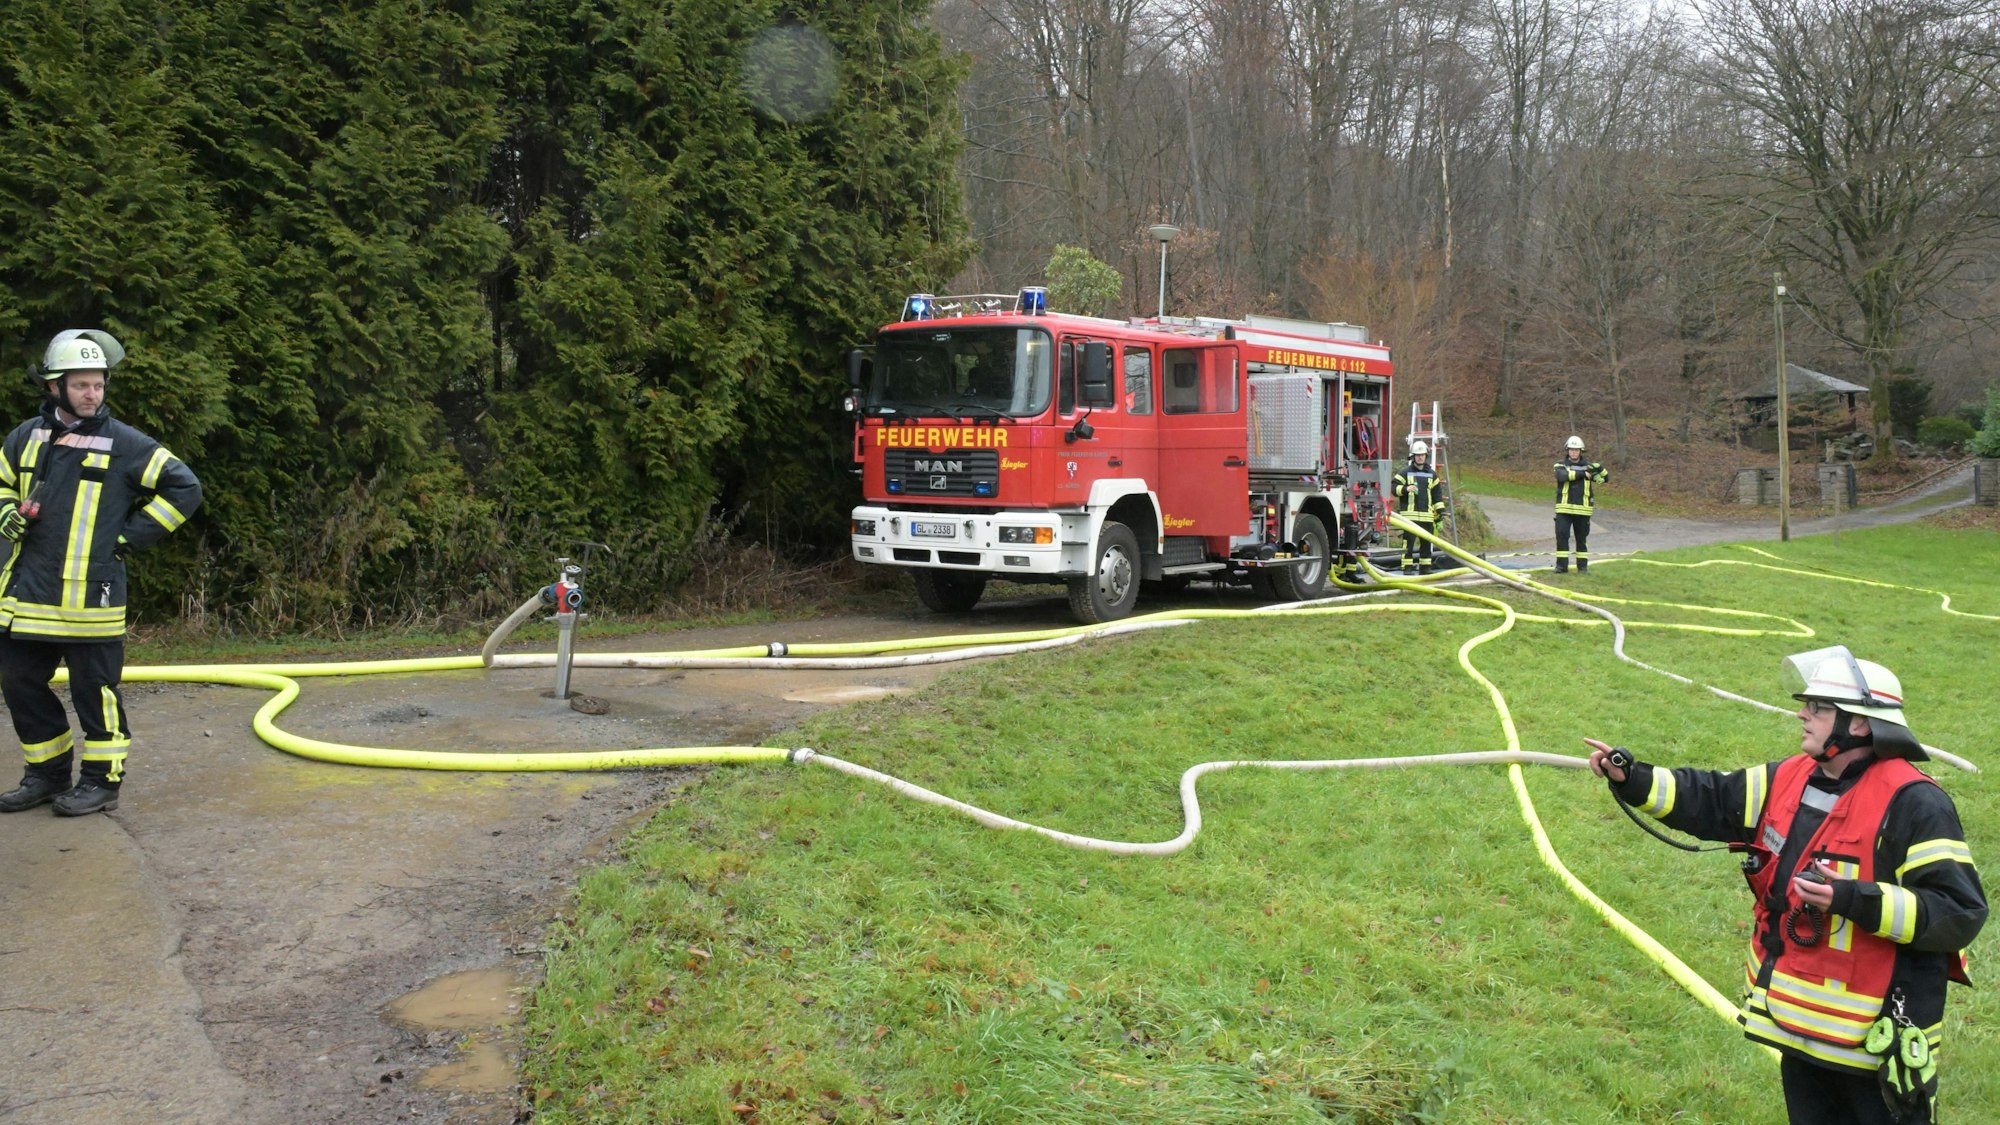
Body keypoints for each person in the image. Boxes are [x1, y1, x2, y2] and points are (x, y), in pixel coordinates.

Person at [1584, 647, 1985, 1125]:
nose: (1802, 713)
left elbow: (1958, 911)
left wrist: (1853, 898)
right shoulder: (1790, 777)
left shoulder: (1915, 803)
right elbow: (1711, 799)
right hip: (1799, 1028)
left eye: (1818, 707)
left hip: (1877, 1045)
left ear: (1858, 724)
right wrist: (1631, 777)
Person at [0, 330, 203, 817]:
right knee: (18, 681)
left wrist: (128, 538)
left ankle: (102, 781)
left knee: (96, 692)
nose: (93, 394)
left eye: (99, 384)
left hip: (92, 599)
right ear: (55, 387)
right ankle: (47, 776)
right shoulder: (24, 436)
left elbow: (185, 488)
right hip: (28, 596)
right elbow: (2, 482)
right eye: (82, 385)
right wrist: (5, 511)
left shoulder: (127, 443)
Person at [1552, 434, 1606, 574]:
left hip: (1583, 510)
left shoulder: (1589, 467)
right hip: (1564, 510)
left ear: (1581, 451)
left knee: (1581, 540)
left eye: (1576, 450)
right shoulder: (1560, 465)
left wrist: (1599, 468)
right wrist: (1583, 474)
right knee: (1562, 537)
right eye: (1571, 449)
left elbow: (1606, 478)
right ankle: (1561, 567)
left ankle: (1582, 567)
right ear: (1567, 450)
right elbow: (1563, 476)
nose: (1574, 452)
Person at [1391, 438, 1446, 575]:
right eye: (1417, 455)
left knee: (1427, 544)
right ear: (1413, 456)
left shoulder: (1432, 475)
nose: (1420, 457)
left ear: (1425, 456)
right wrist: (1405, 489)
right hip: (1409, 517)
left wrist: (1439, 516)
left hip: (1427, 517)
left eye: (1422, 455)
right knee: (1408, 544)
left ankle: (1425, 568)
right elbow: (1393, 488)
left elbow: (1437, 497)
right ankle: (1407, 568)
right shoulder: (1405, 472)